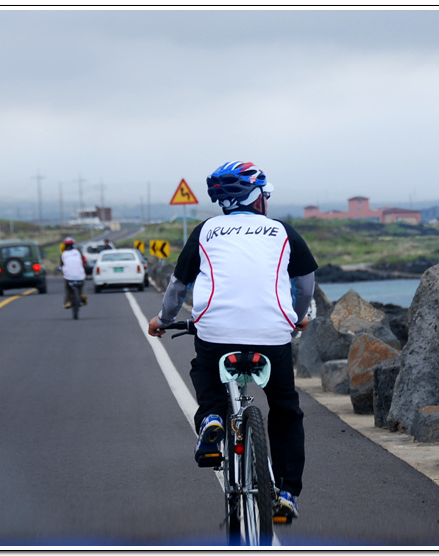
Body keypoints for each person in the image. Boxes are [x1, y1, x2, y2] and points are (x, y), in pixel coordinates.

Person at [148, 161, 317, 519]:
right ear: (258, 198)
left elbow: (178, 287)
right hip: (272, 335)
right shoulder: (282, 231)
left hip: (217, 333)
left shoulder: (206, 231)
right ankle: (287, 492)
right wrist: (297, 317)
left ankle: (211, 417)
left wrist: (162, 321)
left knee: (204, 367)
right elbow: (304, 284)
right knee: (285, 409)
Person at [60, 237, 88, 308]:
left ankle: (68, 301)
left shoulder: (64, 254)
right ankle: (81, 295)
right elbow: (83, 261)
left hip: (68, 276)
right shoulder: (78, 252)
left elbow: (62, 265)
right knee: (81, 284)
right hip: (80, 275)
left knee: (68, 287)